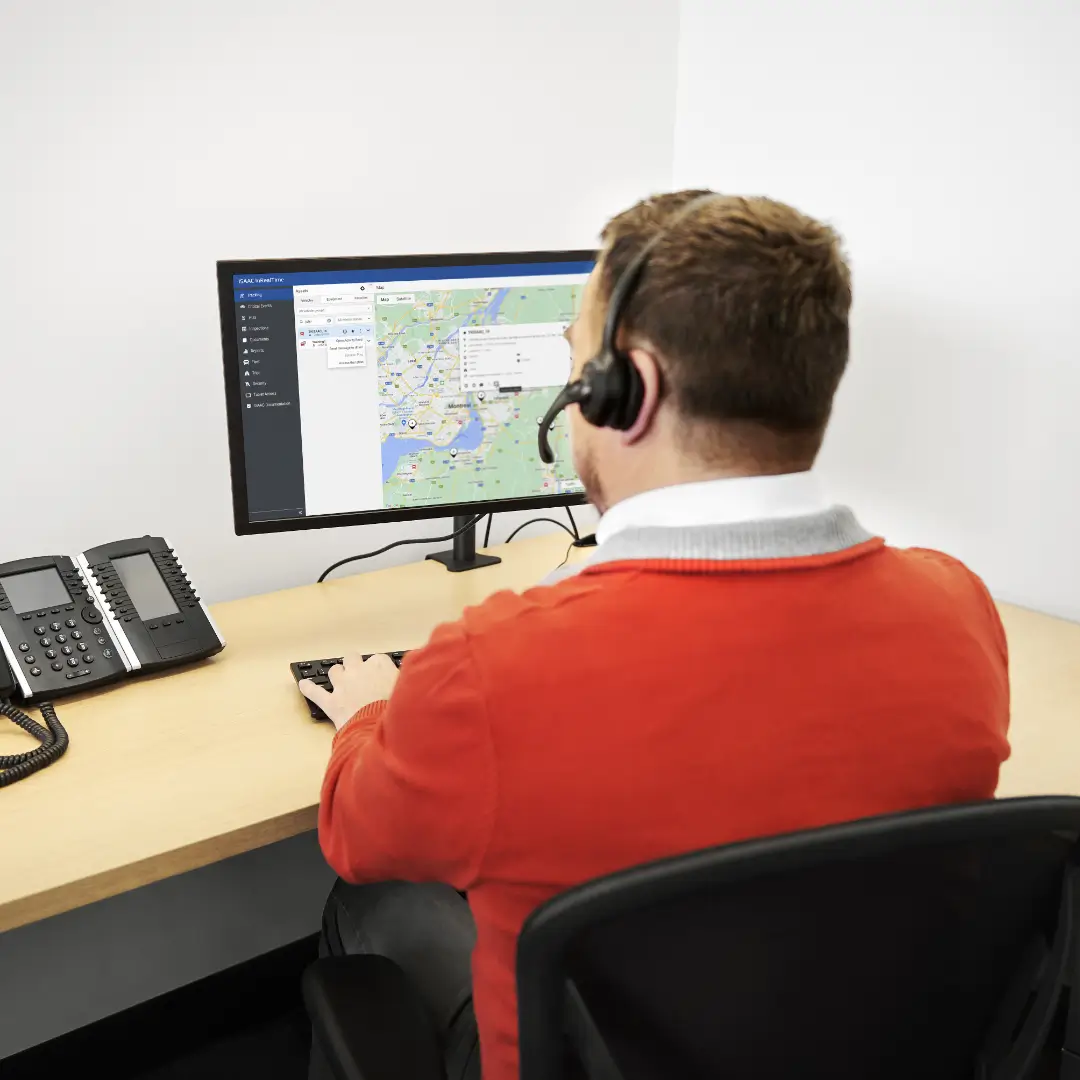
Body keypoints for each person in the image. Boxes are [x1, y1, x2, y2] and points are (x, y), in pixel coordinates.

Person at [301, 191, 1010, 1080]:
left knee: (371, 899)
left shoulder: (491, 669)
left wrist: (369, 714)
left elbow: (358, 835)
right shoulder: (959, 607)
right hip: (859, 1043)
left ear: (626, 391)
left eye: (573, 363)